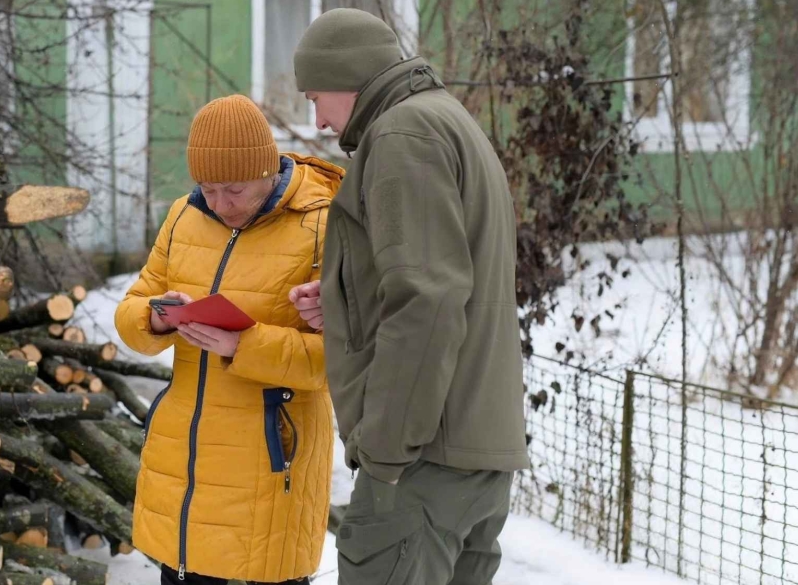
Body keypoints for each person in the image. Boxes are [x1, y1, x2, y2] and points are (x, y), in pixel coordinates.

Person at [288, 8, 530, 585]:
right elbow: (452, 277)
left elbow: (428, 300)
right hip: (476, 450)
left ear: (348, 79)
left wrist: (385, 451)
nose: (319, 120)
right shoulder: (448, 120)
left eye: (316, 97)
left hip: (422, 459)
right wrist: (348, 306)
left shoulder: (402, 136)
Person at [115, 94, 342, 585]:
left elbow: (342, 360)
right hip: (184, 465)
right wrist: (158, 321)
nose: (219, 204)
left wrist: (243, 345)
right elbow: (131, 307)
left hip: (269, 465)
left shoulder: (324, 223)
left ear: (266, 168)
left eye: (233, 188)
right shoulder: (182, 216)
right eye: (207, 188)